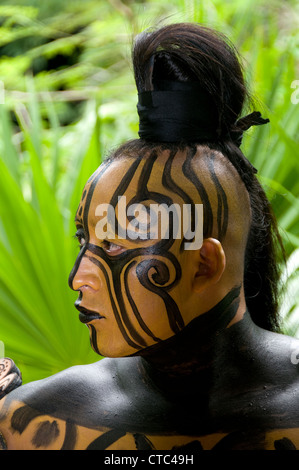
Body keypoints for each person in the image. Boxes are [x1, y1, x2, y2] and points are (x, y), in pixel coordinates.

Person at [0, 22, 299, 451]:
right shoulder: (31, 420)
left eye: (116, 247)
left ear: (205, 264)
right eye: (84, 241)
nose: (78, 277)